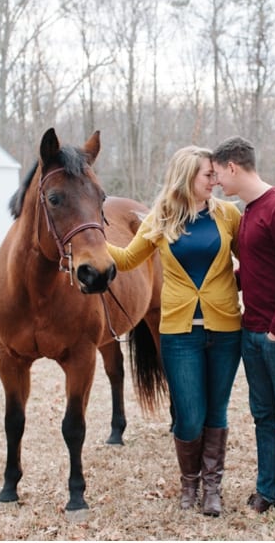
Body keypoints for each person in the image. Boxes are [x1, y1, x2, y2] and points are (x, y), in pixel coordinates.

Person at [106, 146, 242, 516]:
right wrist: (87, 240)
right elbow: (128, 257)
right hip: (180, 334)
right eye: (208, 175)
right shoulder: (160, 218)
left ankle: (212, 489)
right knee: (189, 413)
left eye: (216, 174)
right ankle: (189, 485)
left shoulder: (229, 215)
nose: (216, 181)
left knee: (217, 411)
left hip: (226, 329)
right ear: (187, 178)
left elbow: (254, 257)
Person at [212, 136, 275, 522]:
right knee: (264, 416)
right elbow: (256, 269)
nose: (217, 180)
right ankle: (269, 491)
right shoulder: (250, 211)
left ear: (233, 167)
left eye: (219, 172)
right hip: (251, 331)